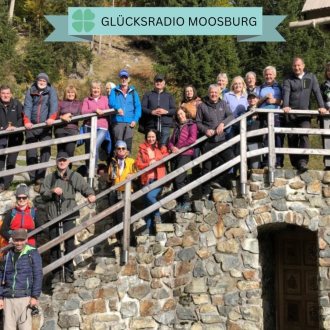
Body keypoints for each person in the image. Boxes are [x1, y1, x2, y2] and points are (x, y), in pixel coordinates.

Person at [40, 151, 96, 283]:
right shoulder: (50, 178)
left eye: (64, 160)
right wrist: (52, 191)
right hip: (53, 214)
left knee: (70, 244)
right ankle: (57, 274)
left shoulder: (74, 175)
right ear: (56, 162)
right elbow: (43, 193)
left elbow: (84, 187)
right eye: (59, 160)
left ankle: (69, 272)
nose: (62, 162)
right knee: (54, 245)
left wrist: (90, 194)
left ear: (68, 162)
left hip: (69, 213)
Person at [283, 57, 326, 171]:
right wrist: (286, 106)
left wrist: (322, 106)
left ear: (303, 65)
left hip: (304, 115)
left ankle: (303, 162)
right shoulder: (288, 79)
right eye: (294, 66)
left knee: (304, 136)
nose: (297, 68)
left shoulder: (310, 77)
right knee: (292, 138)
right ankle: (294, 164)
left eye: (299, 65)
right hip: (291, 114)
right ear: (292, 67)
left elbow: (317, 91)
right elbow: (286, 93)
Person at [196, 84, 235, 198]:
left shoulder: (223, 104)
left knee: (230, 159)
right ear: (208, 93)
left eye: (216, 93)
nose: (214, 94)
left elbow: (231, 116)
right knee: (207, 167)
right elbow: (198, 122)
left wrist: (223, 123)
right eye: (211, 92)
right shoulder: (202, 106)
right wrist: (205, 130)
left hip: (221, 139)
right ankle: (205, 193)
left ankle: (215, 180)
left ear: (219, 94)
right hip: (208, 142)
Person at [0, 228, 43, 330]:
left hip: (25, 298)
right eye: (16, 240)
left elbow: (38, 275)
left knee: (25, 328)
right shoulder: (7, 254)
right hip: (8, 299)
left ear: (26, 240)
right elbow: (1, 275)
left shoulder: (32, 254)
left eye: (21, 240)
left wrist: (35, 296)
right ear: (12, 240)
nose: (19, 243)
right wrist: (0, 297)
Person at [23, 72, 58, 192]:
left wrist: (51, 118)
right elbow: (27, 106)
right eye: (40, 80)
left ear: (47, 82)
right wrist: (26, 120)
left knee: (46, 151)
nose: (42, 82)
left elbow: (54, 105)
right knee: (31, 153)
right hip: (31, 127)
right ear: (37, 81)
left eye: (44, 81)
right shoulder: (31, 90)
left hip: (45, 127)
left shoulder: (51, 91)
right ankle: (33, 179)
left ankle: (41, 178)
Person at [135, 129, 169, 235]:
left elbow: (166, 155)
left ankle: (157, 215)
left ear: (156, 137)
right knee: (146, 205)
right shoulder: (142, 148)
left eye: (153, 137)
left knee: (150, 197)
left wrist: (156, 159)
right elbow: (138, 163)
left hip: (158, 178)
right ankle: (148, 228)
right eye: (149, 137)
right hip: (146, 179)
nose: (151, 139)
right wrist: (148, 164)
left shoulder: (161, 147)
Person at [168, 107, 197, 212]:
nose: (180, 116)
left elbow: (192, 139)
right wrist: (172, 147)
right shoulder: (176, 127)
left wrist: (178, 147)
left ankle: (186, 202)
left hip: (185, 154)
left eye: (182, 113)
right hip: (175, 155)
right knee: (175, 180)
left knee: (179, 179)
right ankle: (180, 203)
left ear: (186, 113)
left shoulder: (191, 125)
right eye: (178, 114)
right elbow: (171, 141)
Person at [108, 140, 136, 237]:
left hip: (126, 191)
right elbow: (110, 177)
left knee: (124, 215)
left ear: (126, 151)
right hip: (115, 191)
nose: (121, 150)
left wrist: (131, 175)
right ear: (115, 150)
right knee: (116, 216)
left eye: (123, 148)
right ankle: (120, 238)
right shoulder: (113, 161)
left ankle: (127, 237)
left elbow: (136, 174)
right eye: (118, 148)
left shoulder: (131, 161)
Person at [109, 69, 142, 153]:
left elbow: (138, 107)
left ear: (128, 79)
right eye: (122, 77)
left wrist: (135, 120)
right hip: (117, 121)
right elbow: (111, 102)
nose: (124, 79)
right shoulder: (114, 91)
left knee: (127, 146)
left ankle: (126, 164)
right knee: (118, 145)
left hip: (130, 123)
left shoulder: (134, 92)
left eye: (125, 77)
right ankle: (116, 164)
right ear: (120, 79)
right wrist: (118, 108)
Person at [82, 81, 111, 169]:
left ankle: (93, 169)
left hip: (102, 127)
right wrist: (95, 109)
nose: (96, 90)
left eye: (97, 88)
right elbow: (83, 112)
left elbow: (108, 110)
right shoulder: (86, 100)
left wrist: (102, 112)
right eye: (94, 88)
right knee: (88, 148)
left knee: (94, 145)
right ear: (91, 89)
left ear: (100, 90)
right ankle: (88, 169)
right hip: (88, 126)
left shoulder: (105, 99)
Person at [258, 66, 283, 168]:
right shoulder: (260, 88)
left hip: (277, 115)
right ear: (264, 75)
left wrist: (275, 101)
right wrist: (264, 98)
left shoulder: (280, 86)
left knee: (278, 138)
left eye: (270, 74)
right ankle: (266, 162)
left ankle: (278, 162)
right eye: (266, 74)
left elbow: (285, 102)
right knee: (265, 139)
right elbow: (256, 103)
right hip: (263, 115)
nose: (268, 76)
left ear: (275, 75)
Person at [0, 85, 24, 191]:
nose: (5, 95)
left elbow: (22, 117)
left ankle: (6, 185)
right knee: (0, 161)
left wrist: (16, 127)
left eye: (7, 93)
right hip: (1, 137)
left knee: (11, 161)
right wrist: (4, 128)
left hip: (15, 136)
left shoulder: (16, 104)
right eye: (3, 93)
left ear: (11, 94)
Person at [141, 74, 176, 146]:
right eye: (157, 81)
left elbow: (174, 110)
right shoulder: (148, 94)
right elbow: (142, 108)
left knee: (163, 146)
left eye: (160, 81)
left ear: (164, 83)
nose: (158, 83)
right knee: (150, 146)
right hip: (151, 125)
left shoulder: (169, 96)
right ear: (154, 83)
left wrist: (166, 112)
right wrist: (151, 112)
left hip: (165, 125)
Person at [55, 85, 82, 158]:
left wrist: (70, 114)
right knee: (60, 153)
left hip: (72, 130)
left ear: (75, 93)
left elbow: (80, 114)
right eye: (68, 92)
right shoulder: (60, 103)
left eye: (72, 92)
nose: (70, 94)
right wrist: (61, 117)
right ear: (65, 94)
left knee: (70, 152)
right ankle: (59, 169)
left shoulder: (79, 103)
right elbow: (54, 116)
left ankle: (68, 169)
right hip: (60, 130)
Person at [246, 92, 263, 169]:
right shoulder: (245, 112)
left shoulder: (262, 112)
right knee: (245, 164)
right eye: (249, 98)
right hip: (245, 140)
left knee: (255, 165)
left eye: (254, 98)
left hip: (256, 140)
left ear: (257, 99)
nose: (252, 100)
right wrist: (251, 120)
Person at [321, 63, 330, 169]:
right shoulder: (324, 85)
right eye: (328, 70)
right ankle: (328, 165)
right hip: (326, 116)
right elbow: (322, 99)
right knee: (327, 139)